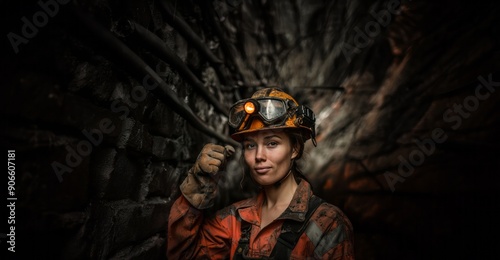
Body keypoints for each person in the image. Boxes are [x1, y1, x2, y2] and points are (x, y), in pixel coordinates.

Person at [167, 88, 354, 259]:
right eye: (250, 145)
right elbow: (184, 255)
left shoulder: (327, 223)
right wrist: (200, 184)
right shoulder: (235, 219)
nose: (258, 156)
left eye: (272, 143)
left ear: (295, 149)